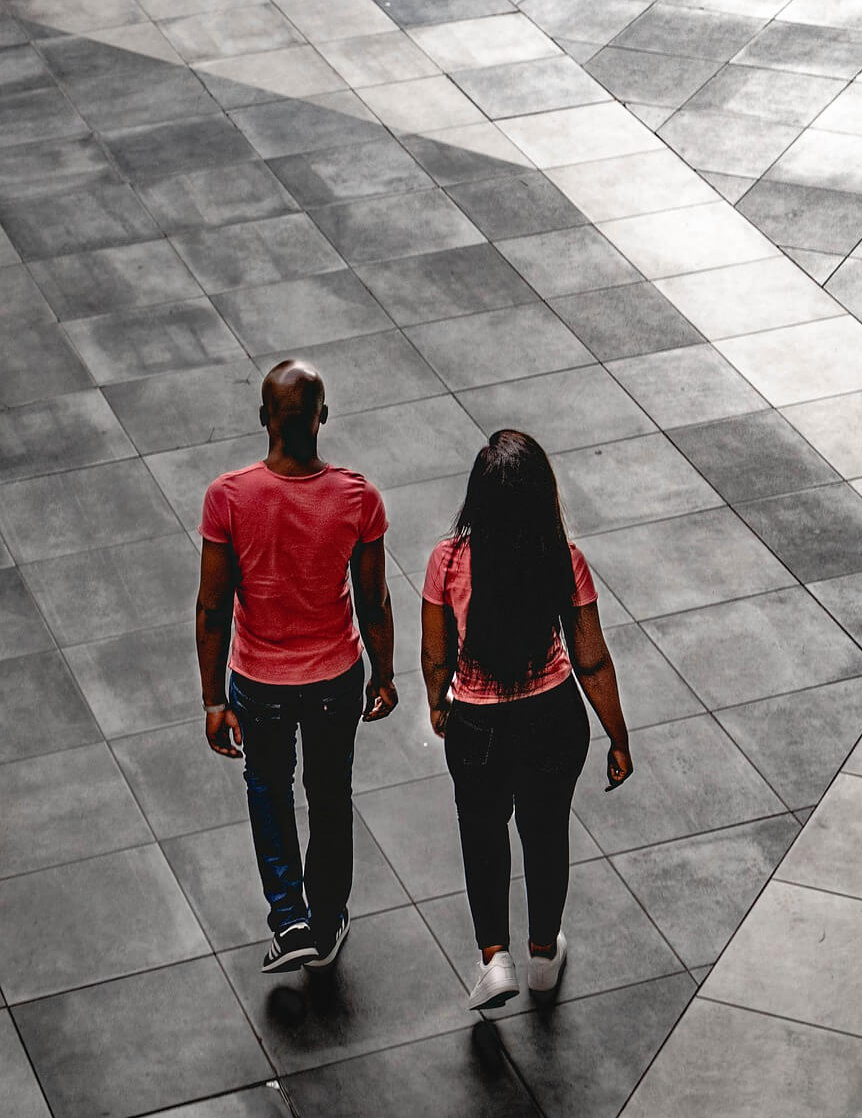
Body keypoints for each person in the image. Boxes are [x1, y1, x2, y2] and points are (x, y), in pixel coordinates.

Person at [196, 359, 397, 974]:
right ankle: (328, 916)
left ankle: (290, 920)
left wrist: (212, 699)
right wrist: (384, 674)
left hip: (257, 681)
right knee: (330, 794)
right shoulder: (357, 497)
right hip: (336, 675)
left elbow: (212, 607)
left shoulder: (228, 498)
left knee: (268, 792)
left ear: (264, 420)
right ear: (323, 418)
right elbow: (373, 600)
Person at [420, 429, 633, 1010]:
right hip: (553, 717)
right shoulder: (564, 560)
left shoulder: (449, 560)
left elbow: (436, 653)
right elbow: (590, 657)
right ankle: (544, 953)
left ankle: (495, 959)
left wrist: (440, 700)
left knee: (482, 836)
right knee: (546, 834)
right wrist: (618, 736)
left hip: (478, 726)